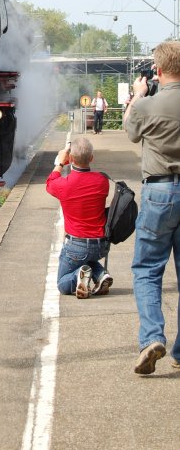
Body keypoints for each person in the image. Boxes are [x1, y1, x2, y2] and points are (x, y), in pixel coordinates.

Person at [124, 40, 180, 375]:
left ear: (157, 70)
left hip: (159, 191)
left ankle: (151, 339)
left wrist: (138, 95)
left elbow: (129, 131)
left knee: (147, 269)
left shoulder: (147, 105)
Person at [46, 135, 113, 298]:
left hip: (76, 246)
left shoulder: (63, 185)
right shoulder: (103, 181)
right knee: (88, 257)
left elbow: (50, 183)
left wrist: (60, 162)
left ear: (70, 159)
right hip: (100, 245)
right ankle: (100, 275)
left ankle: (78, 276)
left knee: (62, 283)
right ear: (91, 158)